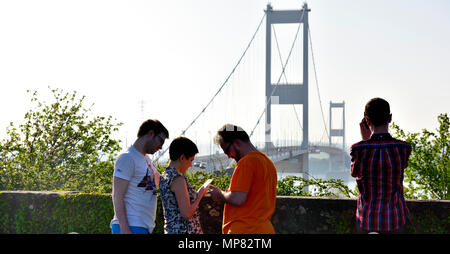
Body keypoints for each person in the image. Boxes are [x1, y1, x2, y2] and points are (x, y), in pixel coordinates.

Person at [350, 97, 412, 233]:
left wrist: (365, 140)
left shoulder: (358, 150)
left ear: (367, 121)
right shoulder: (403, 148)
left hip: (366, 220)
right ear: (390, 118)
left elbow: (355, 173)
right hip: (394, 219)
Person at [209, 124, 277, 234]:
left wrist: (220, 194)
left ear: (236, 142)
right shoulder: (268, 163)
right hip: (265, 229)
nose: (229, 156)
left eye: (227, 151)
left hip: (245, 230)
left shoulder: (246, 162)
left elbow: (237, 198)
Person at [110, 119, 169, 234]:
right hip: (130, 227)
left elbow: (161, 182)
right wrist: (125, 229)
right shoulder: (127, 158)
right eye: (160, 141)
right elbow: (117, 196)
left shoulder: (145, 159)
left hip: (142, 227)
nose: (161, 147)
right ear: (150, 134)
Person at [159, 136, 205, 234]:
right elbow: (186, 214)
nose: (191, 165)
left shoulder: (164, 176)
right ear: (182, 158)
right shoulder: (178, 179)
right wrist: (200, 196)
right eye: (191, 160)